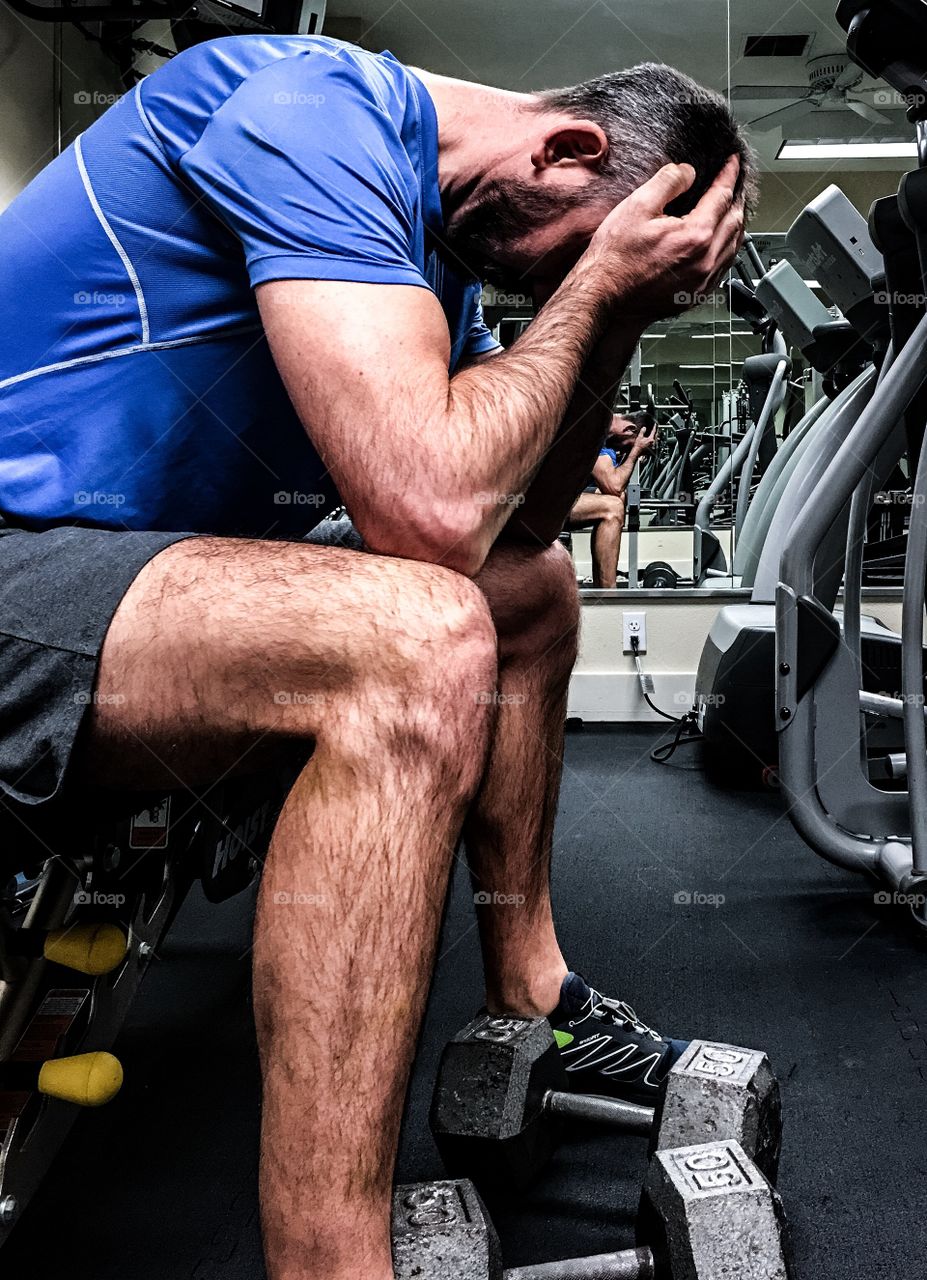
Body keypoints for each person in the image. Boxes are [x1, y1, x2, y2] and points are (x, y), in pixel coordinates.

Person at [0, 33, 753, 1279]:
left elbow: (506, 526)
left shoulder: (429, 259)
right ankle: (335, 1265)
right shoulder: (312, 110)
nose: (552, 292)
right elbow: (428, 507)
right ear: (565, 152)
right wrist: (589, 291)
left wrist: (609, 313)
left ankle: (533, 992)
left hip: (147, 578)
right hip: (21, 564)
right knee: (412, 639)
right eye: (576, 256)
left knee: (528, 592)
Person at [567, 413, 658, 586]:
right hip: (536, 502)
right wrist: (635, 452)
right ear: (630, 430)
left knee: (611, 499)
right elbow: (614, 486)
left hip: (552, 498)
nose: (623, 452)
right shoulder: (595, 428)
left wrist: (633, 449)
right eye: (627, 447)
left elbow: (612, 488)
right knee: (613, 506)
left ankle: (600, 587)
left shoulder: (601, 434)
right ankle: (608, 593)